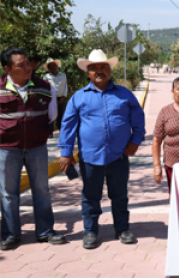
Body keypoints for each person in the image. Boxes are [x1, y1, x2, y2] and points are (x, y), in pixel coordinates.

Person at [58, 49, 145, 249]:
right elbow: (68, 126)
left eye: (103, 67)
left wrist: (135, 141)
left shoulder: (125, 94)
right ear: (87, 72)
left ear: (109, 70)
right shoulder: (78, 97)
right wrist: (65, 153)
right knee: (90, 197)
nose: (99, 71)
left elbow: (138, 119)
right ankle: (90, 231)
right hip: (89, 157)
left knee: (120, 195)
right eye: (94, 68)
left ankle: (122, 229)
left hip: (119, 156)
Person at [0, 48, 66, 250]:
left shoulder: (45, 87)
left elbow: (52, 115)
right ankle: (11, 234)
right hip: (6, 149)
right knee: (8, 193)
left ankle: (45, 232)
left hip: (37, 147)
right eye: (22, 65)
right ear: (8, 69)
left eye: (28, 63)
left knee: (42, 190)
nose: (28, 67)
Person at [42, 58, 68, 138]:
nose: (52, 67)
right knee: (50, 116)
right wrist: (50, 99)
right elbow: (44, 88)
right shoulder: (46, 77)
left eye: (53, 65)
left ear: (56, 66)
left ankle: (62, 132)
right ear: (48, 68)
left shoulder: (63, 76)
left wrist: (63, 98)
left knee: (61, 115)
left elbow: (65, 88)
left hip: (61, 98)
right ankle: (50, 133)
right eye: (50, 66)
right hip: (50, 99)